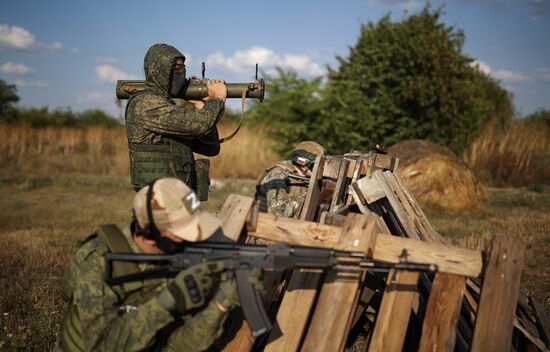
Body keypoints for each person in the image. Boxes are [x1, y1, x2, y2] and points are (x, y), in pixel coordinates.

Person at [57, 178, 261, 352]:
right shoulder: (97, 260)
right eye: (184, 231)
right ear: (151, 234)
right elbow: (103, 344)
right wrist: (167, 302)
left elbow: (179, 346)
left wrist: (221, 303)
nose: (196, 238)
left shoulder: (184, 255)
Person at [125, 43, 227, 200]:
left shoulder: (169, 106)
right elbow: (200, 123)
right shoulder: (146, 105)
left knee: (203, 223)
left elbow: (211, 148)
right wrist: (218, 98)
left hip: (183, 197)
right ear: (158, 70)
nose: (181, 72)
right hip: (159, 200)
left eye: (182, 67)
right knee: (205, 225)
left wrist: (200, 105)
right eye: (175, 67)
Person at [255, 141, 326, 219]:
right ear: (304, 164)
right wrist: (306, 199)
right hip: (267, 225)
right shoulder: (277, 175)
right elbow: (279, 212)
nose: (321, 171)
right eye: (317, 166)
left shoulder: (305, 177)